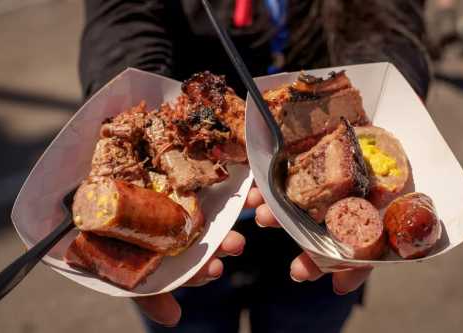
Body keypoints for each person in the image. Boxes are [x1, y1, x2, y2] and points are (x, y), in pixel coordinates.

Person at [79, 0, 431, 331]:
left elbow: (382, 15)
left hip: (318, 238)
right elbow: (122, 17)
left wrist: (394, 89)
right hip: (196, 224)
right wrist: (123, 90)